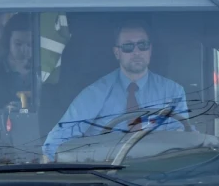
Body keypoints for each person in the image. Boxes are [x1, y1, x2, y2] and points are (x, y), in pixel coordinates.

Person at [42, 21, 188, 161]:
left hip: (159, 177)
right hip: (108, 179)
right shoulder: (95, 93)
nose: (137, 52)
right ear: (117, 52)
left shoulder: (173, 92)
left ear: (150, 49)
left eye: (143, 45)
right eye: (128, 47)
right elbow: (54, 143)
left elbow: (184, 142)